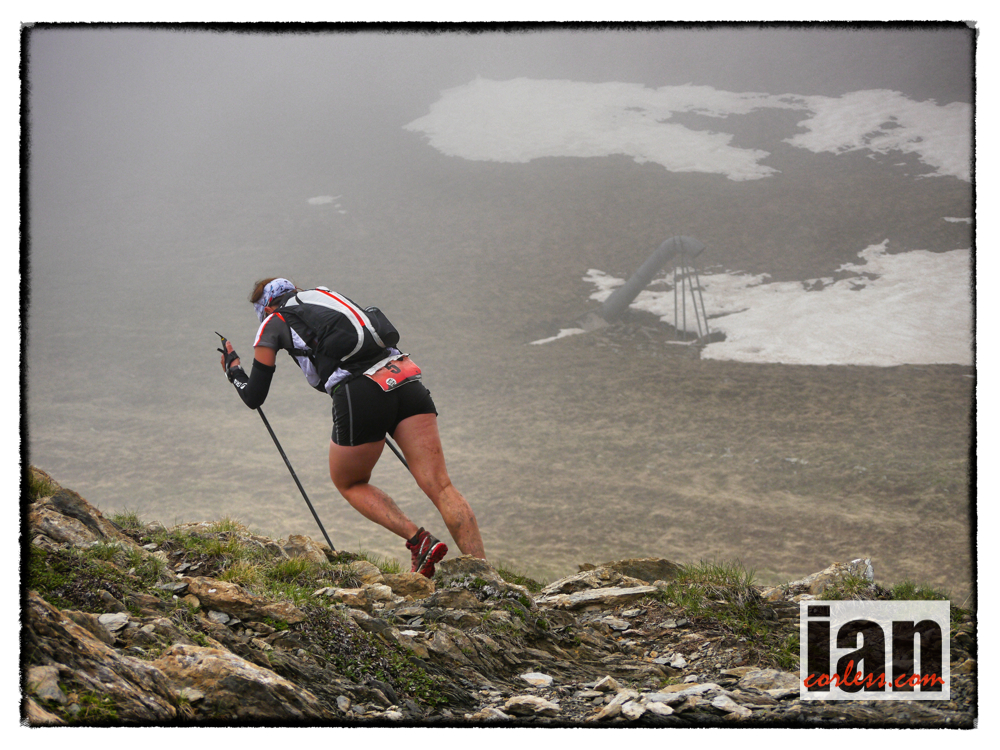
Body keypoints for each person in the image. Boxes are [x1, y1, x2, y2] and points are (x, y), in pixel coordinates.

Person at [219, 277, 486, 577]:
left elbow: (254, 396)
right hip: (404, 377)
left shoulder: (273, 322)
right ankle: (485, 573)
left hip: (360, 393)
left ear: (266, 308)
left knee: (350, 482)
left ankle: (419, 540)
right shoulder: (325, 295)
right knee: (442, 486)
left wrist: (234, 371)